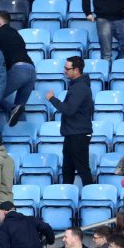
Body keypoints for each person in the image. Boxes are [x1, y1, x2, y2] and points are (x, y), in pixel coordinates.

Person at [46, 56, 95, 185]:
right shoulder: (77, 86)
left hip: (78, 134)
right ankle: (66, 197)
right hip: (73, 133)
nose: (64, 71)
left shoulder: (80, 88)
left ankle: (90, 197)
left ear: (76, 70)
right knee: (67, 169)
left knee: (82, 168)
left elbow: (69, 110)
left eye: (67, 69)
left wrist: (52, 99)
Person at [0, 12, 36, 128]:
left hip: (19, 70)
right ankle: (22, 136)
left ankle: (11, 108)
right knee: (19, 109)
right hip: (32, 70)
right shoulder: (15, 33)